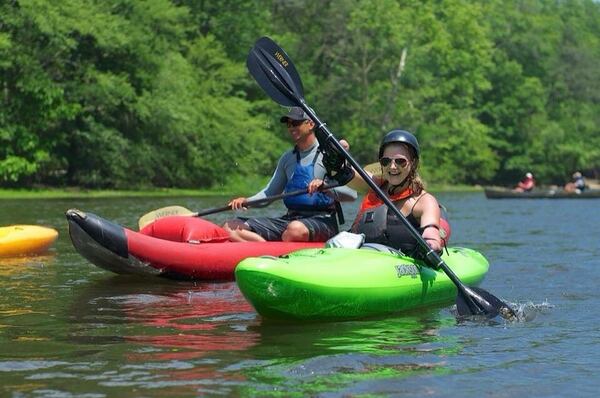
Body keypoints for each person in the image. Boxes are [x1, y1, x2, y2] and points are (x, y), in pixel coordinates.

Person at [222, 107, 357, 242]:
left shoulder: (331, 155)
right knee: (230, 227)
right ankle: (267, 252)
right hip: (290, 220)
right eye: (289, 124)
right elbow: (270, 194)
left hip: (323, 221)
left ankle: (277, 248)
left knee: (295, 230)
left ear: (311, 124)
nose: (291, 128)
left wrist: (326, 186)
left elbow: (352, 195)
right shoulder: (287, 158)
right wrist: (247, 201)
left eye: (296, 123)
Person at [308, 130, 444, 257]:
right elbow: (347, 174)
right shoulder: (374, 185)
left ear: (413, 163)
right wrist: (336, 162)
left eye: (400, 161)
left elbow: (431, 231)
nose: (392, 166)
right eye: (386, 161)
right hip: (362, 255)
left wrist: (431, 243)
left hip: (396, 265)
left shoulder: (424, 201)